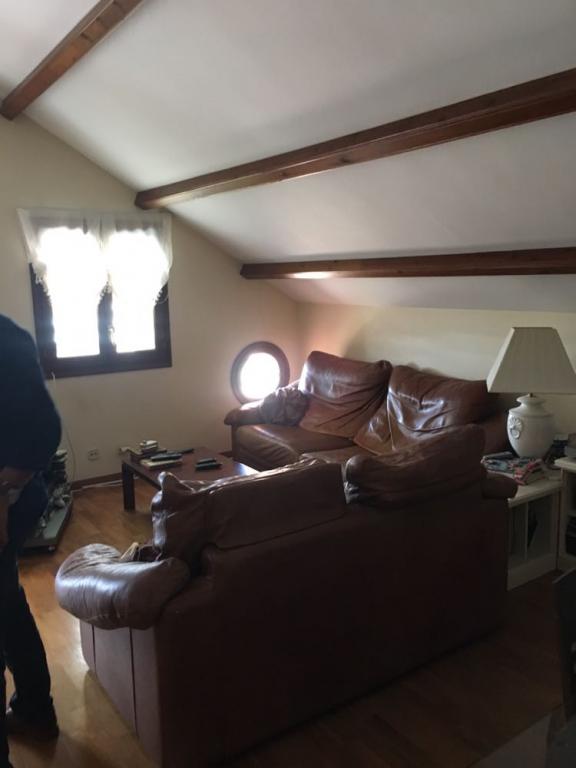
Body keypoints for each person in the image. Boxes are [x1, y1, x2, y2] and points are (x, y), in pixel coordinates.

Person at [0, 313, 61, 768]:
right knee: (7, 604)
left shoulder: (6, 339)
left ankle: (35, 710)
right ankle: (35, 709)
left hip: (11, 499)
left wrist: (1, 494)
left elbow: (44, 432)